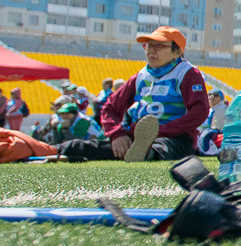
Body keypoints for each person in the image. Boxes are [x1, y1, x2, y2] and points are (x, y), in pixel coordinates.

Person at [63, 27, 208, 162]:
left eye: (158, 46)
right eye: (148, 46)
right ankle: (48, 149)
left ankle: (146, 153)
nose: (151, 51)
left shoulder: (187, 73)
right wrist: (117, 135)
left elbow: (199, 112)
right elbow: (110, 107)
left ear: (177, 52)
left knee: (164, 148)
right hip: (135, 138)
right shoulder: (141, 76)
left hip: (175, 138)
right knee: (84, 147)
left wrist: (162, 131)